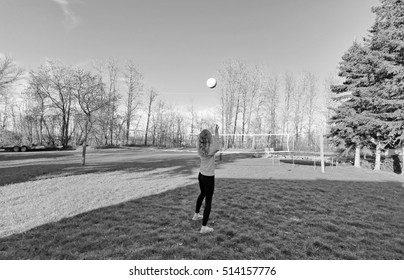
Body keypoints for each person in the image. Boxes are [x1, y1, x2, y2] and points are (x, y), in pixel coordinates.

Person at [192, 124, 220, 234]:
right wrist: (216, 132)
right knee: (208, 201)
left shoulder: (199, 147)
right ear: (209, 138)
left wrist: (204, 136)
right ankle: (204, 227)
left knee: (202, 194)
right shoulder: (210, 149)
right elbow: (217, 146)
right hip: (208, 178)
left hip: (201, 175)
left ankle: (196, 215)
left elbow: (200, 140)